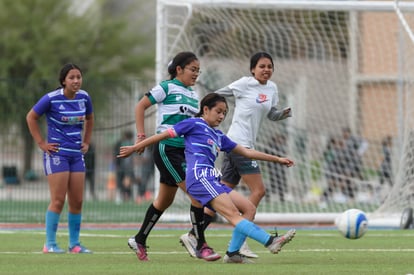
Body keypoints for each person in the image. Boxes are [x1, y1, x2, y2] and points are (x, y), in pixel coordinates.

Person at [118, 93, 296, 264]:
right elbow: (162, 135)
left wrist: (277, 159)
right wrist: (136, 147)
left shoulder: (218, 135)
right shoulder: (193, 124)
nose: (221, 116)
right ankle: (270, 241)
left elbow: (247, 152)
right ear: (205, 110)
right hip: (199, 178)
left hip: (211, 179)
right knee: (233, 214)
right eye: (218, 111)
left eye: (224, 113)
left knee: (248, 208)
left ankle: (233, 253)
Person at [180, 52, 292, 258]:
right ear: (252, 69)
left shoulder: (272, 88)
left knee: (218, 197)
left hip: (241, 146)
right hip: (238, 144)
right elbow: (216, 95)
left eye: (270, 66)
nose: (266, 69)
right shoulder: (244, 84)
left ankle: (194, 235)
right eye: (262, 66)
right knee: (258, 191)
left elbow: (271, 114)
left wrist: (283, 114)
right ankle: (241, 241)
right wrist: (206, 112)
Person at [126, 51, 220, 262]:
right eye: (192, 69)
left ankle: (139, 239)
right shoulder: (166, 87)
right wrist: (141, 136)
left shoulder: (194, 95)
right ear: (179, 69)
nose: (196, 74)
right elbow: (140, 106)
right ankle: (199, 244)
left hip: (184, 152)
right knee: (199, 195)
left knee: (164, 201)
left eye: (198, 70)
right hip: (167, 148)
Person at [26, 63, 94, 254]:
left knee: (77, 201)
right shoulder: (51, 99)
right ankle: (49, 244)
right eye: (72, 77)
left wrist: (86, 142)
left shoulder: (84, 97)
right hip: (57, 154)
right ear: (63, 80)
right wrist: (41, 143)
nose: (76, 81)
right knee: (58, 200)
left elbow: (90, 118)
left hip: (76, 155)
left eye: (78, 77)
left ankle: (75, 244)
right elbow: (31, 117)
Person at [114, 130, 135, 202]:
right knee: (126, 181)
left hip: (123, 165)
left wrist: (117, 164)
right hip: (127, 165)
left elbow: (117, 154)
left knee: (123, 181)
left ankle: (123, 195)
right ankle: (127, 195)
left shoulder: (121, 143)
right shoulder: (131, 143)